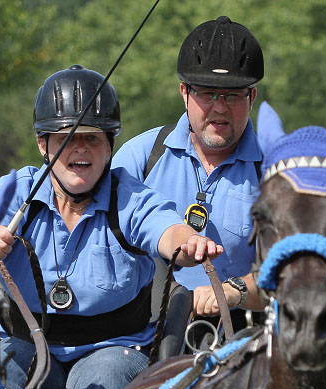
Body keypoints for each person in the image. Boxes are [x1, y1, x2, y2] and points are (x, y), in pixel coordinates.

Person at [0, 65, 222, 389]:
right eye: (66, 138)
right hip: (27, 346)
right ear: (43, 144)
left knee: (102, 379)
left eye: (93, 138)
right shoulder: (13, 191)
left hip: (112, 351)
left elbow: (167, 229)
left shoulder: (132, 198)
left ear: (110, 147)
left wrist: (190, 243)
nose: (80, 149)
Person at [111, 16, 265, 337]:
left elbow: (292, 275)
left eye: (232, 95)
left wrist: (235, 290)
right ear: (184, 92)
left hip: (241, 336)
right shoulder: (139, 157)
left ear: (251, 97)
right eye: (208, 93)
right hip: (144, 332)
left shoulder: (274, 170)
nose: (219, 108)